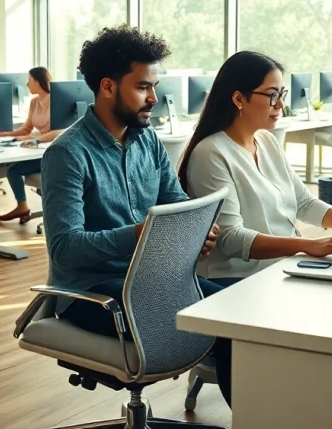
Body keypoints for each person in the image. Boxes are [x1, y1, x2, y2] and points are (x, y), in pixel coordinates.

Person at [40, 25, 231, 407]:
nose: (154, 98)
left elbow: (177, 203)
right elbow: (64, 249)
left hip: (149, 280)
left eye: (154, 86)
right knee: (229, 331)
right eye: (143, 87)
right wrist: (140, 234)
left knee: (238, 315)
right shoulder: (68, 154)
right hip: (93, 295)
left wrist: (197, 230)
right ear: (108, 87)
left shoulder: (147, 140)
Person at [178, 51, 332, 283]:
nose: (280, 104)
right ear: (239, 99)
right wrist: (310, 245)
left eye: (281, 94)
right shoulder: (211, 153)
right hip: (239, 279)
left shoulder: (267, 141)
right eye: (271, 95)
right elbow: (231, 238)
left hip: (284, 267)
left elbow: (304, 203)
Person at [0, 67, 62, 223]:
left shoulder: (57, 101)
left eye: (29, 80)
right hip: (38, 152)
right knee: (13, 170)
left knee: (13, 170)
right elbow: (27, 128)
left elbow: (60, 131)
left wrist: (37, 140)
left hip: (54, 153)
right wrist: (7, 134)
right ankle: (22, 206)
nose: (26, 84)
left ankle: (23, 207)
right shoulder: (34, 102)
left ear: (37, 82)